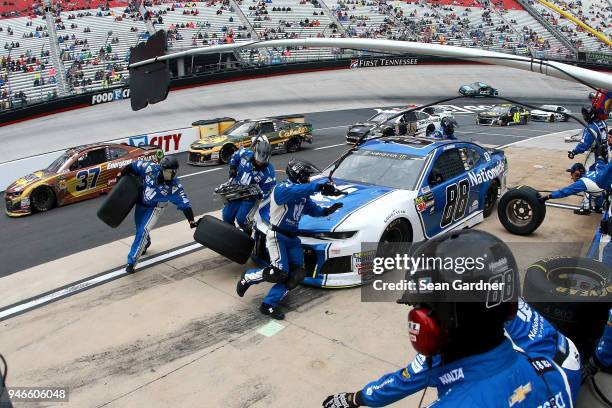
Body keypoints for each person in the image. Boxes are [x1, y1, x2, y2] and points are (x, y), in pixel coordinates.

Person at [323, 230, 580, 408]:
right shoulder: (497, 295)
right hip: (560, 363)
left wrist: (354, 398)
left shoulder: (442, 356)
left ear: (426, 326)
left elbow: (401, 381)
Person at [236, 159, 344, 320]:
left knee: (297, 274)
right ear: (298, 175)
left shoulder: (302, 195)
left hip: (293, 239)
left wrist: (328, 210)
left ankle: (268, 305)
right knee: (278, 272)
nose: (308, 178)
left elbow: (312, 209)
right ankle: (249, 277)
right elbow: (296, 191)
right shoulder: (282, 189)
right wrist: (319, 187)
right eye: (306, 175)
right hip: (277, 236)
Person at [122, 156, 197, 273]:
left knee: (143, 231)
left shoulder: (175, 187)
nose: (172, 174)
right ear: (162, 169)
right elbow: (133, 166)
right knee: (139, 229)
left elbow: (185, 204)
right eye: (169, 171)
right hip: (141, 203)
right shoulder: (150, 168)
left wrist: (191, 221)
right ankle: (146, 243)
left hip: (155, 209)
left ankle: (131, 262)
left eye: (174, 171)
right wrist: (120, 178)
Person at [222, 136, 275, 232]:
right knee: (226, 216)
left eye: (262, 160)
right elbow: (234, 156)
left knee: (242, 219)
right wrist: (233, 168)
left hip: (250, 197)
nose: (259, 162)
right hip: (236, 191)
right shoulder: (244, 153)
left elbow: (268, 191)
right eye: (258, 159)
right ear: (255, 152)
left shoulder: (269, 172)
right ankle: (231, 234)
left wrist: (258, 193)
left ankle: (248, 235)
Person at [540, 162, 605, 215]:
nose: (571, 175)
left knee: (587, 191)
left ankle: (586, 209)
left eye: (572, 173)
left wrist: (548, 197)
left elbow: (564, 192)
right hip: (606, 190)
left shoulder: (582, 182)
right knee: (595, 190)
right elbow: (600, 164)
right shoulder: (589, 173)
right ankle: (598, 208)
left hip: (608, 196)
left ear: (577, 173)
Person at [568, 106, 608, 170]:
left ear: (591, 115)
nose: (584, 117)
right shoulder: (603, 122)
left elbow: (584, 144)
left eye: (585, 115)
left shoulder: (590, 128)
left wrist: (574, 152)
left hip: (595, 155)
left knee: (588, 172)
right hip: (605, 152)